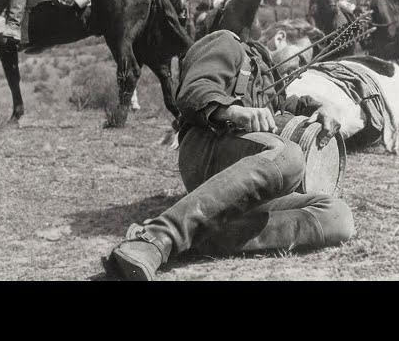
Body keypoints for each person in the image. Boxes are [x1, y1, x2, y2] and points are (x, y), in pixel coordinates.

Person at [104, 29, 355, 281]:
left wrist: (324, 107)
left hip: (250, 181)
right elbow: (194, 89)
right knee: (288, 157)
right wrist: (233, 112)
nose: (302, 66)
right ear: (280, 38)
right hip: (206, 151)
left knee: (337, 215)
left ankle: (195, 238)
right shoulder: (228, 45)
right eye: (300, 58)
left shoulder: (271, 80)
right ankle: (156, 238)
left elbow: (291, 106)